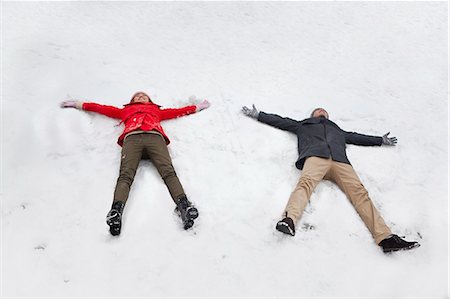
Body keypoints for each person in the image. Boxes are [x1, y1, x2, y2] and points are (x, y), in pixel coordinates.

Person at [242, 105, 420, 253]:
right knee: (305, 185)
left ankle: (385, 238)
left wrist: (380, 140)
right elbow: (281, 121)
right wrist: (259, 115)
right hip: (315, 158)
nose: (322, 112)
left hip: (340, 163)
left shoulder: (338, 130)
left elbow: (356, 137)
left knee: (360, 194)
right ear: (312, 115)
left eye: (324, 111)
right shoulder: (303, 125)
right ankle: (288, 220)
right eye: (319, 111)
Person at [61, 92, 210, 235]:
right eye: (137, 96)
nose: (141, 96)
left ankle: (184, 206)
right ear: (132, 101)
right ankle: (116, 212)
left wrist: (197, 107)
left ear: (149, 100)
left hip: (155, 138)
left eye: (144, 95)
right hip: (132, 139)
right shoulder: (125, 111)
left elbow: (178, 111)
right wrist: (79, 104)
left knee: (169, 172)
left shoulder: (157, 111)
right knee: (125, 175)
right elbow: (101, 108)